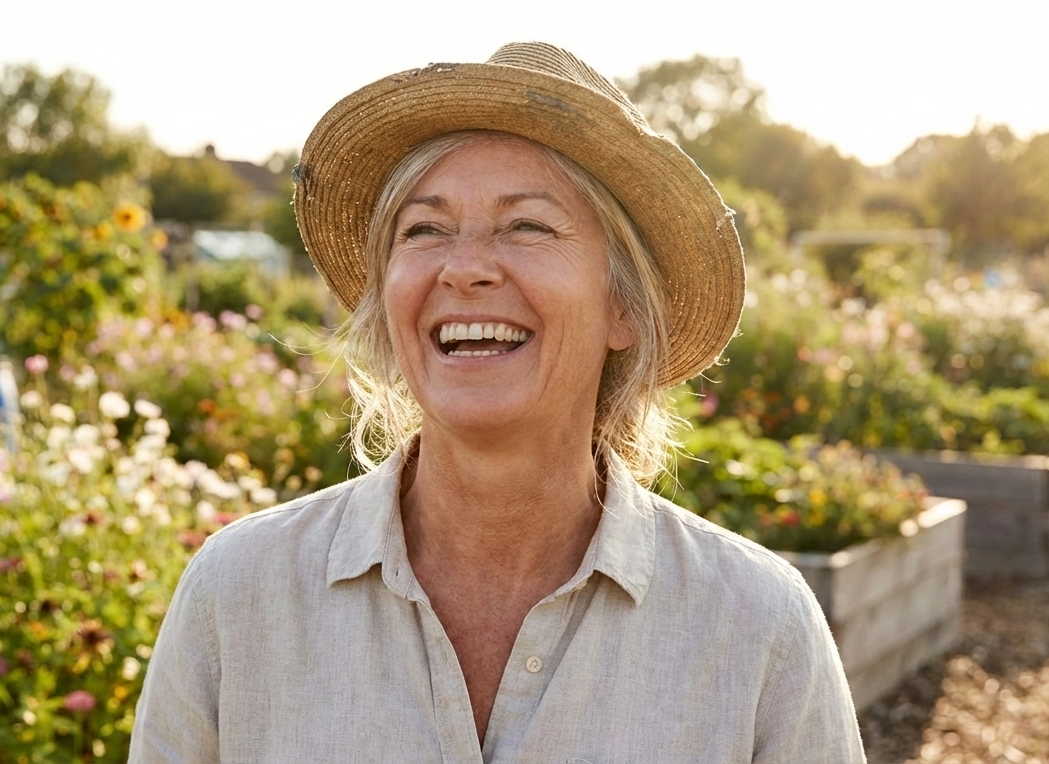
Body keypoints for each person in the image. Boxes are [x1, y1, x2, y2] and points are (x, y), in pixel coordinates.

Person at [129, 42, 865, 763]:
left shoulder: (758, 628)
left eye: (527, 226)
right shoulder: (239, 594)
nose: (466, 268)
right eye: (425, 229)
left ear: (624, 308)